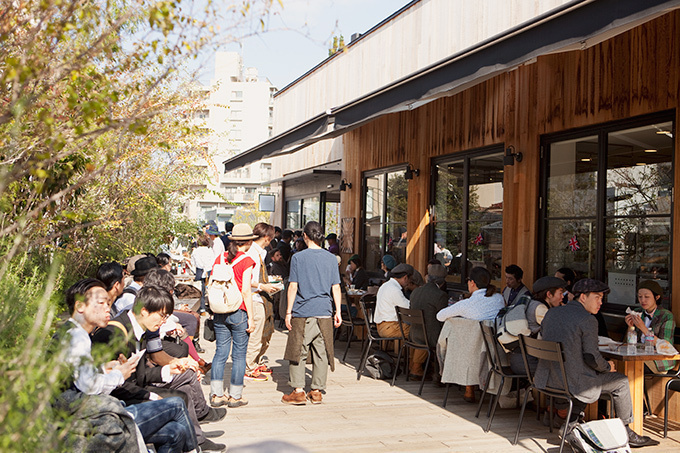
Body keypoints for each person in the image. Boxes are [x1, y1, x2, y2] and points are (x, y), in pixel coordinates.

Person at [61, 278, 200, 453]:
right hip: (90, 420)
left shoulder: (79, 334)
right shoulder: (86, 336)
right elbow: (88, 385)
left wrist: (106, 370)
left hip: (99, 412)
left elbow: (84, 377)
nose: (107, 308)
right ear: (80, 307)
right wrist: (119, 374)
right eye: (102, 303)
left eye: (108, 302)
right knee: (176, 404)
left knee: (176, 431)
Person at [92, 285, 226, 452]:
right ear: (144, 311)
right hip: (116, 403)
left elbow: (139, 376)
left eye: (166, 317)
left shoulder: (139, 329)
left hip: (131, 391)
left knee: (182, 393)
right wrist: (150, 395)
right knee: (177, 403)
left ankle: (196, 440)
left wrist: (169, 370)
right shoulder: (114, 334)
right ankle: (195, 446)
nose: (163, 322)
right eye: (162, 316)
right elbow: (116, 386)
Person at [534, 278, 656, 448]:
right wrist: (607, 367)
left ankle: (570, 424)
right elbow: (591, 356)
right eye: (597, 297)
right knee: (620, 381)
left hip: (548, 378)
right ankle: (626, 430)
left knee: (590, 375)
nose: (601, 302)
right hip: (573, 382)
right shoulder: (588, 319)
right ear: (583, 297)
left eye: (602, 298)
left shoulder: (552, 313)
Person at [281, 221, 342, 405]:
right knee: (321, 352)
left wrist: (288, 312)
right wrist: (338, 311)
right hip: (325, 310)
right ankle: (316, 390)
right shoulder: (331, 258)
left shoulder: (298, 258)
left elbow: (293, 287)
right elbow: (336, 287)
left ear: (305, 236)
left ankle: (298, 391)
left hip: (303, 310)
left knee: (298, 349)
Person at [436, 266, 504, 402]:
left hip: (468, 355)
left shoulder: (467, 304)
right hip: (493, 349)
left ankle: (468, 387)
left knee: (458, 334)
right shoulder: (499, 298)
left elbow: (440, 316)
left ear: (472, 283)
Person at [209, 223, 257, 408]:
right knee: (238, 355)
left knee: (220, 352)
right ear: (249, 242)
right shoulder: (246, 260)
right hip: (239, 311)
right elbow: (246, 291)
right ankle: (235, 396)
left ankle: (216, 395)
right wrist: (251, 318)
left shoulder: (220, 258)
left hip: (220, 311)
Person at [374, 263, 427, 379]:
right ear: (405, 278)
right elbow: (409, 307)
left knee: (416, 332)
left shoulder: (386, 286)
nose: (408, 283)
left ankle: (412, 365)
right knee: (422, 333)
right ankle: (415, 368)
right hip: (389, 327)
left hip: (383, 325)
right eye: (408, 280)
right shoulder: (395, 290)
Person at [507, 276, 567, 375]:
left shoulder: (532, 303)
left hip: (519, 359)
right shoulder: (540, 309)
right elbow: (559, 331)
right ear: (549, 294)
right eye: (560, 293)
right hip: (527, 362)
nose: (562, 297)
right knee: (565, 368)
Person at [245, 223, 279, 381]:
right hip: (254, 297)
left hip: (259, 296)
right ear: (266, 238)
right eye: (271, 237)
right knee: (256, 334)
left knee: (263, 332)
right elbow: (248, 280)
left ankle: (255, 362)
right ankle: (249, 367)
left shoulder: (259, 252)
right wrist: (263, 286)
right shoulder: (252, 253)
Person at [624, 279, 676, 373]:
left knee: (632, 367)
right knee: (619, 363)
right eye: (640, 297)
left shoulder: (666, 316)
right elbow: (628, 343)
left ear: (657, 297)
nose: (642, 300)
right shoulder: (638, 312)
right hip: (638, 354)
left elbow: (665, 346)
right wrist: (630, 327)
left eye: (647, 297)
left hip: (659, 359)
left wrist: (642, 327)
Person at [409, 264, 449, 377]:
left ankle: (416, 366)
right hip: (429, 337)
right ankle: (442, 374)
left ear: (428, 277)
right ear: (442, 282)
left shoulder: (415, 292)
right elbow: (443, 318)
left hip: (413, 334)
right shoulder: (440, 295)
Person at [191, 233, 214, 313]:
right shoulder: (210, 250)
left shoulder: (196, 251)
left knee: (200, 291)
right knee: (209, 290)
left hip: (199, 271)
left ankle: (201, 308)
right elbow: (212, 261)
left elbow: (193, 262)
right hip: (209, 271)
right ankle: (211, 308)